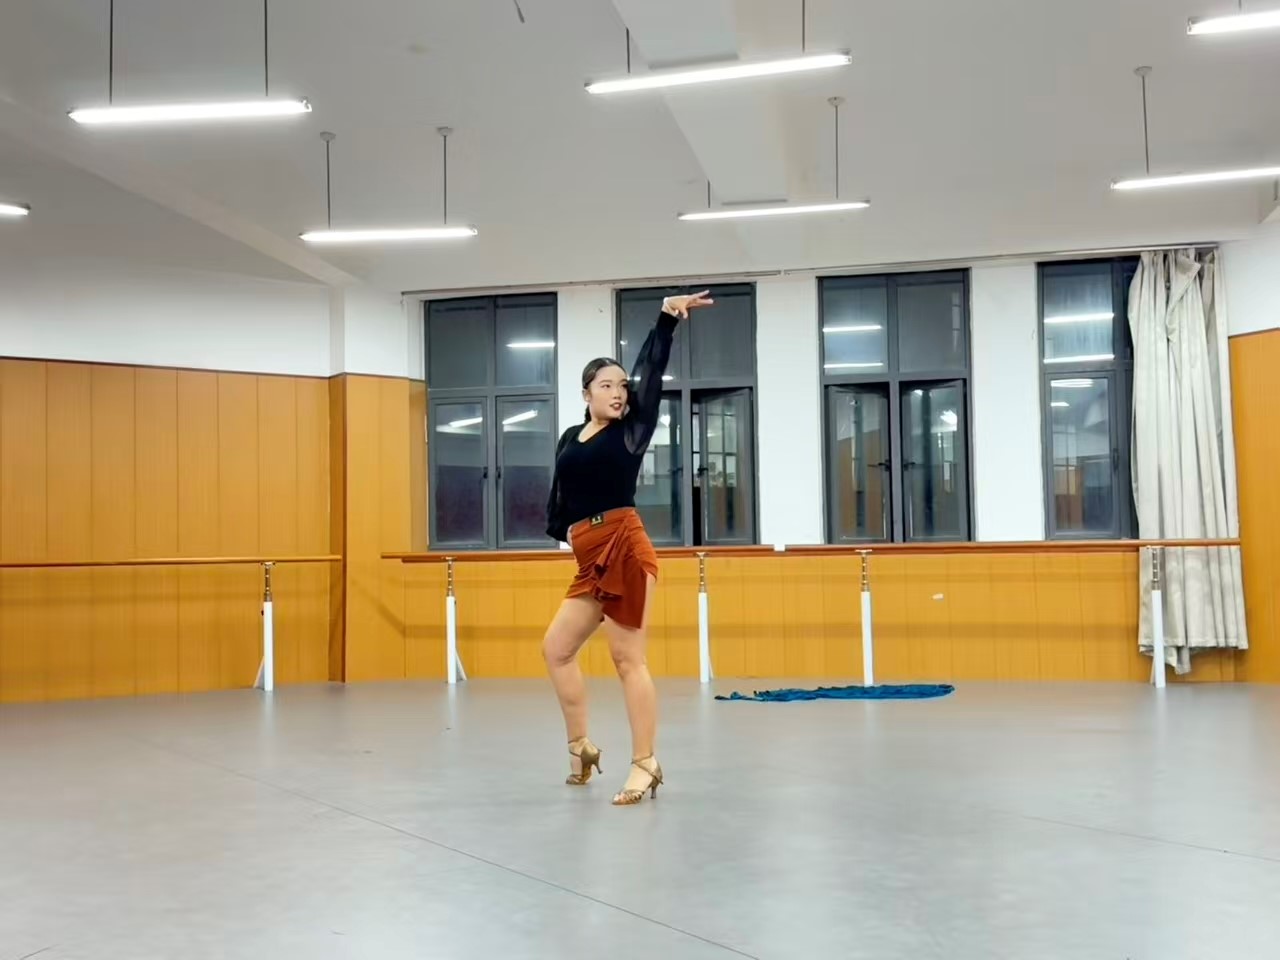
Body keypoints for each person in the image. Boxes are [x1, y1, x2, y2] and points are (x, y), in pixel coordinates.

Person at [543, 290, 714, 805]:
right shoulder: (571, 436)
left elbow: (651, 374)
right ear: (586, 394)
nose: (618, 392)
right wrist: (568, 533)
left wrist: (666, 320)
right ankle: (581, 747)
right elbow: (561, 494)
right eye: (606, 385)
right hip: (589, 556)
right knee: (556, 649)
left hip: (625, 547)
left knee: (627, 659)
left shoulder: (632, 433)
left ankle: (645, 763)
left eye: (622, 385)